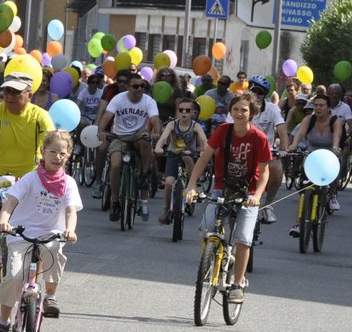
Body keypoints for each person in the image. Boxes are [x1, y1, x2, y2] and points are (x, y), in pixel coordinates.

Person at [0, 129, 81, 332]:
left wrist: (70, 230)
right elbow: (10, 203)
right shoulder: (31, 179)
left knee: (54, 251)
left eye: (62, 153)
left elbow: (71, 211)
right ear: (42, 152)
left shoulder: (68, 183)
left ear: (68, 155)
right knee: (13, 276)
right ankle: (4, 321)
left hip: (51, 234)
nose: (57, 157)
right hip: (22, 233)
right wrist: (4, 220)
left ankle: (50, 296)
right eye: (52, 152)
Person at [183, 92, 271, 305]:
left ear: (252, 113)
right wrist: (191, 186)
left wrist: (257, 196)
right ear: (230, 111)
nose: (239, 113)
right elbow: (204, 159)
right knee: (208, 227)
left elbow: (264, 171)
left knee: (242, 238)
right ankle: (211, 260)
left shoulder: (259, 138)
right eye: (235, 109)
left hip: (247, 192)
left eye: (244, 110)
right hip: (222, 188)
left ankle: (238, 283)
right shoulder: (223, 131)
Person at [0, 70, 55, 185]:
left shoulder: (41, 116)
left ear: (29, 96)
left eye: (16, 92)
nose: (10, 96)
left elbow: (52, 147)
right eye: (7, 91)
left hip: (32, 178)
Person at [99, 73, 160, 223]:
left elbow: (154, 119)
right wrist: (100, 130)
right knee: (115, 165)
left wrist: (156, 132)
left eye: (142, 86)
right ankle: (115, 202)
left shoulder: (148, 101)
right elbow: (107, 115)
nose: (139, 89)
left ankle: (144, 174)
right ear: (128, 88)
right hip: (119, 136)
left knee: (146, 138)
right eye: (135, 86)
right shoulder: (119, 98)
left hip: (138, 135)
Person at [288, 93, 343, 233]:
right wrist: (294, 145)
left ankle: (332, 195)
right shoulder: (309, 119)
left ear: (329, 108)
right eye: (316, 105)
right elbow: (300, 134)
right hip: (311, 155)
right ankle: (297, 224)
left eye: (321, 105)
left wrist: (336, 148)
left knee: (338, 162)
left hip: (328, 156)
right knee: (304, 190)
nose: (318, 108)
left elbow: (337, 137)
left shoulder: (335, 121)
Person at [153, 96, 206, 224]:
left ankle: (193, 184)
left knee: (188, 157)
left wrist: (204, 150)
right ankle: (166, 210)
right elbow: (163, 138)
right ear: (177, 112)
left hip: (189, 155)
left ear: (193, 112)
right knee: (169, 182)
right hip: (173, 155)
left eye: (187, 110)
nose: (184, 113)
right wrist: (159, 146)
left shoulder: (196, 126)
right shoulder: (172, 124)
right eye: (181, 110)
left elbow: (204, 139)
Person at [247, 78, 287, 224]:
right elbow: (228, 126)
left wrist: (284, 149)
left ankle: (268, 204)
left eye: (260, 92)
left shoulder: (272, 109)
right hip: (244, 150)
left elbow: (282, 130)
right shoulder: (241, 106)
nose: (256, 95)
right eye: (253, 90)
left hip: (265, 152)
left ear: (265, 95)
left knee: (277, 168)